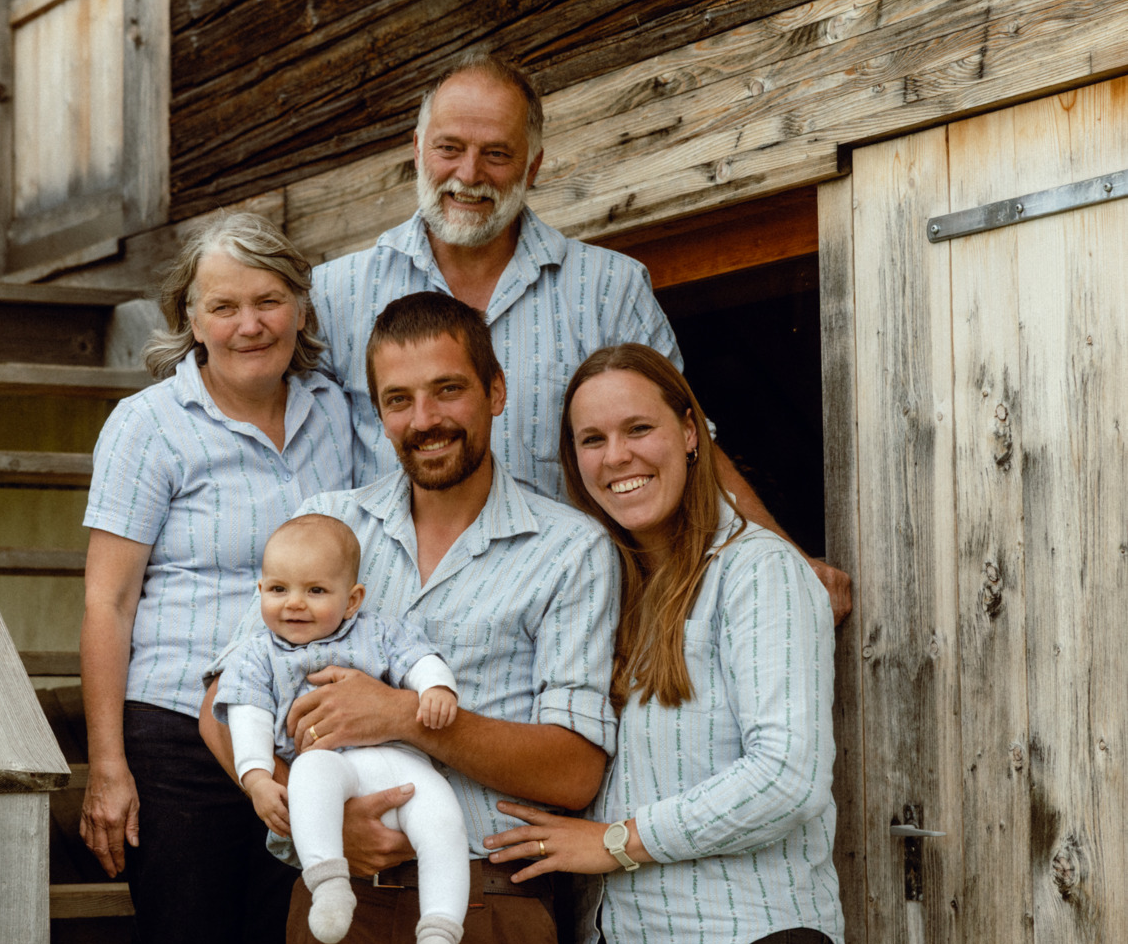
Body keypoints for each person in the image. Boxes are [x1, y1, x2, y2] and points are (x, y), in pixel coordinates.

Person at [309, 52, 852, 624]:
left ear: (533, 166)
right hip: (385, 621)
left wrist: (783, 557)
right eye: (449, 148)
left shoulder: (609, 287)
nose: (468, 174)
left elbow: (685, 444)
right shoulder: (337, 294)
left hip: (567, 619)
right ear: (418, 149)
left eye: (497, 154)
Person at [202, 291, 620, 944]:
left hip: (488, 909)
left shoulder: (569, 549)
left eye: (447, 390)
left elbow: (575, 770)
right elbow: (222, 702)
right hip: (335, 909)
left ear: (495, 392)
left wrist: (406, 718)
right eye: (398, 400)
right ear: (379, 412)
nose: (423, 419)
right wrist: (317, 819)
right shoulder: (328, 525)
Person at [484, 343, 848, 944]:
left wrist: (616, 841)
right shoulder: (596, 592)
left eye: (638, 428)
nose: (616, 456)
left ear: (689, 432)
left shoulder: (757, 569)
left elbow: (787, 777)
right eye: (592, 439)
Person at [79, 211, 354, 944]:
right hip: (178, 735)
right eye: (223, 306)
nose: (248, 325)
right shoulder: (149, 426)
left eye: (267, 301)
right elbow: (108, 600)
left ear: (299, 308)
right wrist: (108, 767)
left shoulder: (337, 413)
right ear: (191, 318)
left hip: (303, 736)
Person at [214, 513, 468, 944]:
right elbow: (248, 716)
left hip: (403, 763)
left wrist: (437, 688)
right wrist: (257, 778)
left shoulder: (381, 632)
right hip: (329, 763)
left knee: (444, 823)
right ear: (260, 590)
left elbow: (420, 659)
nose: (294, 603)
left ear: (352, 600)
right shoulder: (257, 654)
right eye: (278, 589)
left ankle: (439, 932)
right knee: (309, 776)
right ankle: (329, 883)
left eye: (315, 590)